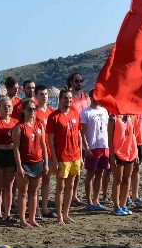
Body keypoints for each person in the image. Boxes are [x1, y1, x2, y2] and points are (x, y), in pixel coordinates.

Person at [47, 89, 82, 225]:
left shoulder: (75, 114)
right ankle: (59, 216)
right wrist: (54, 160)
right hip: (62, 157)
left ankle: (66, 214)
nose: (68, 100)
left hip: (75, 156)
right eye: (65, 98)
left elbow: (78, 134)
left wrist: (81, 155)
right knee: (60, 188)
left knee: (71, 186)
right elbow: (51, 141)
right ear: (60, 99)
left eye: (70, 98)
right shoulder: (54, 117)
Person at [12, 99, 47, 229]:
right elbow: (15, 148)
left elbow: (44, 146)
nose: (32, 111)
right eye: (30, 109)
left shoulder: (39, 126)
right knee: (23, 193)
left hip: (37, 162)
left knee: (34, 192)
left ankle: (32, 219)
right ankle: (22, 219)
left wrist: (46, 163)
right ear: (23, 110)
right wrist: (19, 166)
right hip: (24, 163)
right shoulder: (19, 127)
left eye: (34, 109)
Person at [0, 97, 18, 222]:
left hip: (10, 155)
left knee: (9, 187)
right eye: (4, 106)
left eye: (9, 106)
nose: (7, 108)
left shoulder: (15, 122)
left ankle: (7, 213)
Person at [80, 90, 110, 211]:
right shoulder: (86, 113)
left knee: (99, 174)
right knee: (90, 174)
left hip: (103, 145)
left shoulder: (104, 111)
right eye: (95, 96)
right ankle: (89, 201)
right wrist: (86, 147)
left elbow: (106, 129)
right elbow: (82, 132)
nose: (97, 98)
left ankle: (96, 199)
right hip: (92, 147)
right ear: (91, 97)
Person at [67, 73, 90, 205]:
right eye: (76, 81)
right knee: (70, 169)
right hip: (72, 136)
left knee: (79, 169)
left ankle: (74, 195)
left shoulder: (84, 97)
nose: (79, 83)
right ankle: (69, 195)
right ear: (71, 82)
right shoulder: (69, 97)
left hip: (83, 135)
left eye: (81, 81)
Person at [109, 113, 138, 216]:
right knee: (118, 180)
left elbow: (133, 135)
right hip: (117, 153)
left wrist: (136, 153)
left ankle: (123, 204)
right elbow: (110, 139)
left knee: (127, 179)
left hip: (130, 152)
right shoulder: (113, 119)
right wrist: (112, 156)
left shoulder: (131, 117)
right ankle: (116, 206)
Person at [33, 85, 55, 218]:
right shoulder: (34, 111)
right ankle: (36, 209)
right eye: (41, 94)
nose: (44, 96)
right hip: (38, 151)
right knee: (37, 182)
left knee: (47, 181)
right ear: (36, 96)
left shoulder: (52, 112)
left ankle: (45, 208)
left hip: (49, 150)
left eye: (46, 94)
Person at [129, 114, 142, 206]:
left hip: (141, 142)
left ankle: (135, 195)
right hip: (130, 142)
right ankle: (126, 196)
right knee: (128, 171)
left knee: (136, 169)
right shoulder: (129, 109)